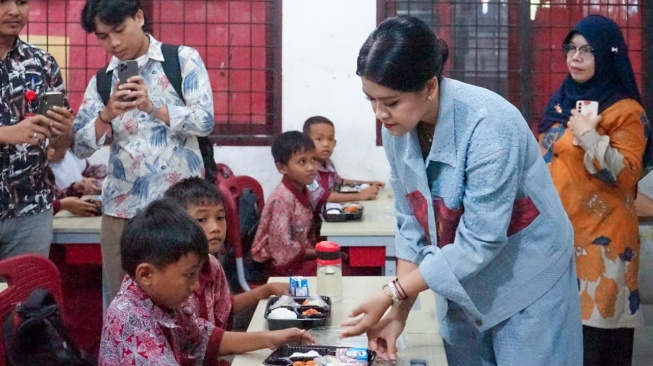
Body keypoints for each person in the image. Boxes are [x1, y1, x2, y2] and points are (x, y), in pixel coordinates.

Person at [339, 16, 582, 365]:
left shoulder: (489, 125)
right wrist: (398, 312)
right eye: (371, 101)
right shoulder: (400, 131)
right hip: (462, 278)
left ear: (430, 87)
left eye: (390, 102)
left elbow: (481, 240)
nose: (380, 113)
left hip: (528, 280)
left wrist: (393, 292)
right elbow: (412, 228)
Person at [73, 0, 215, 302]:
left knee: (187, 301)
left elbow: (205, 121)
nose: (113, 43)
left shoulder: (181, 60)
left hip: (180, 210)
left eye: (119, 30)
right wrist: (106, 115)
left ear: (139, 17)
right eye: (102, 36)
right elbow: (80, 145)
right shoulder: (102, 80)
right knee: (122, 304)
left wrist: (153, 107)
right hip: (122, 211)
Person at [538, 15, 648, 366]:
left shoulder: (626, 112)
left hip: (604, 244)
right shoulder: (560, 102)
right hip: (559, 238)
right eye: (572, 48)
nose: (576, 58)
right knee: (560, 344)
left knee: (598, 347)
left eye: (588, 51)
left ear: (609, 55)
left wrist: (589, 135)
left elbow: (627, 176)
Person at [164, 177, 311, 363]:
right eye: (201, 219)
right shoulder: (172, 279)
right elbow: (203, 340)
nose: (215, 228)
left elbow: (224, 308)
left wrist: (266, 290)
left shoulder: (212, 265)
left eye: (220, 218)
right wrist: (267, 339)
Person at [0, 0, 74, 259]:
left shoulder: (42, 63)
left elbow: (60, 147)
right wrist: (5, 134)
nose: (14, 11)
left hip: (31, 211)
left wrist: (64, 132)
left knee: (26, 299)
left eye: (21, 2)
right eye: (2, 2)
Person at [250, 131, 320, 277]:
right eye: (302, 162)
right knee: (336, 270)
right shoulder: (282, 199)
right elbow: (281, 248)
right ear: (282, 168)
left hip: (300, 258)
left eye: (313, 160)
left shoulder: (303, 189)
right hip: (283, 267)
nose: (311, 167)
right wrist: (319, 253)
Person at [303, 116, 385, 206]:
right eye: (319, 139)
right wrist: (359, 196)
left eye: (330, 139)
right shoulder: (306, 168)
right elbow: (321, 196)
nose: (326, 144)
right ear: (306, 142)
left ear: (335, 143)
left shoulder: (327, 163)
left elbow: (339, 181)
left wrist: (368, 183)